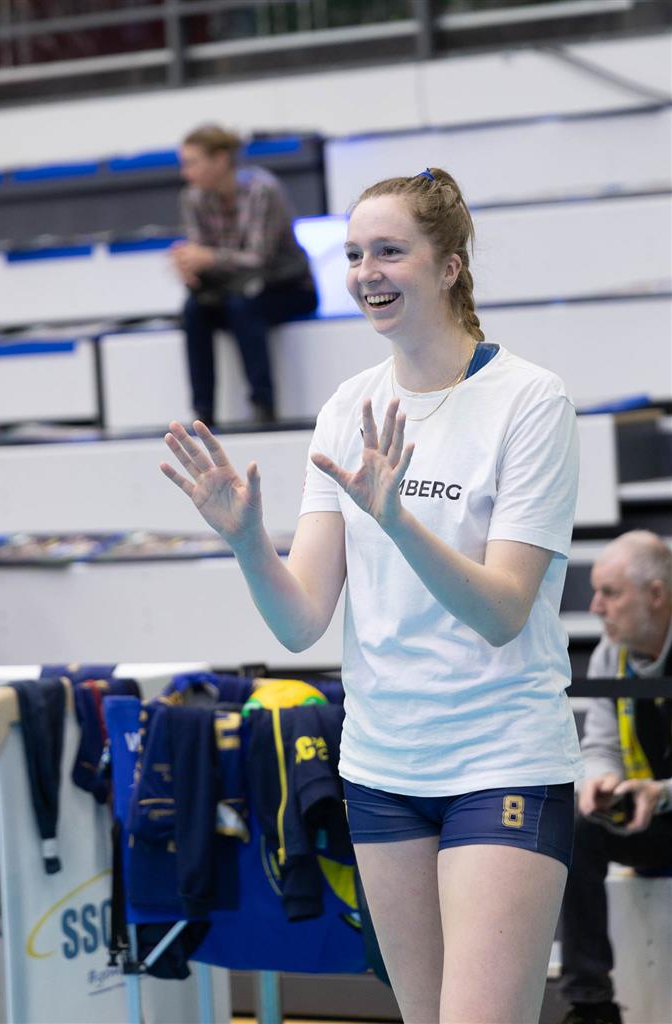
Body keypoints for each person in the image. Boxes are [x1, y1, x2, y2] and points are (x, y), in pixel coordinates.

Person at [161, 166, 583, 1023]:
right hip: (383, 769)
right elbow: (300, 621)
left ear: (450, 266)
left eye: (389, 251)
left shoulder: (530, 401)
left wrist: (397, 520)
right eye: (354, 254)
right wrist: (248, 542)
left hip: (502, 758)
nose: (366, 273)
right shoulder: (346, 407)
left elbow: (504, 612)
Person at [560, 530, 672, 1024]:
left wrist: (661, 793)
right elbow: (601, 743)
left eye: (610, 593)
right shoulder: (614, 651)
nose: (596, 607)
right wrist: (601, 781)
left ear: (656, 594)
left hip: (661, 803)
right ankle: (592, 1004)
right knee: (577, 824)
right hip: (653, 820)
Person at [170, 125, 318, 426]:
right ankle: (202, 413)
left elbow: (259, 258)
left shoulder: (262, 190)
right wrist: (190, 267)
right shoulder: (192, 197)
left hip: (288, 287)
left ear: (221, 159)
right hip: (235, 288)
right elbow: (203, 254)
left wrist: (208, 258)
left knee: (243, 306)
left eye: (192, 163)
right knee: (193, 309)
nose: (186, 173)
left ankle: (263, 406)